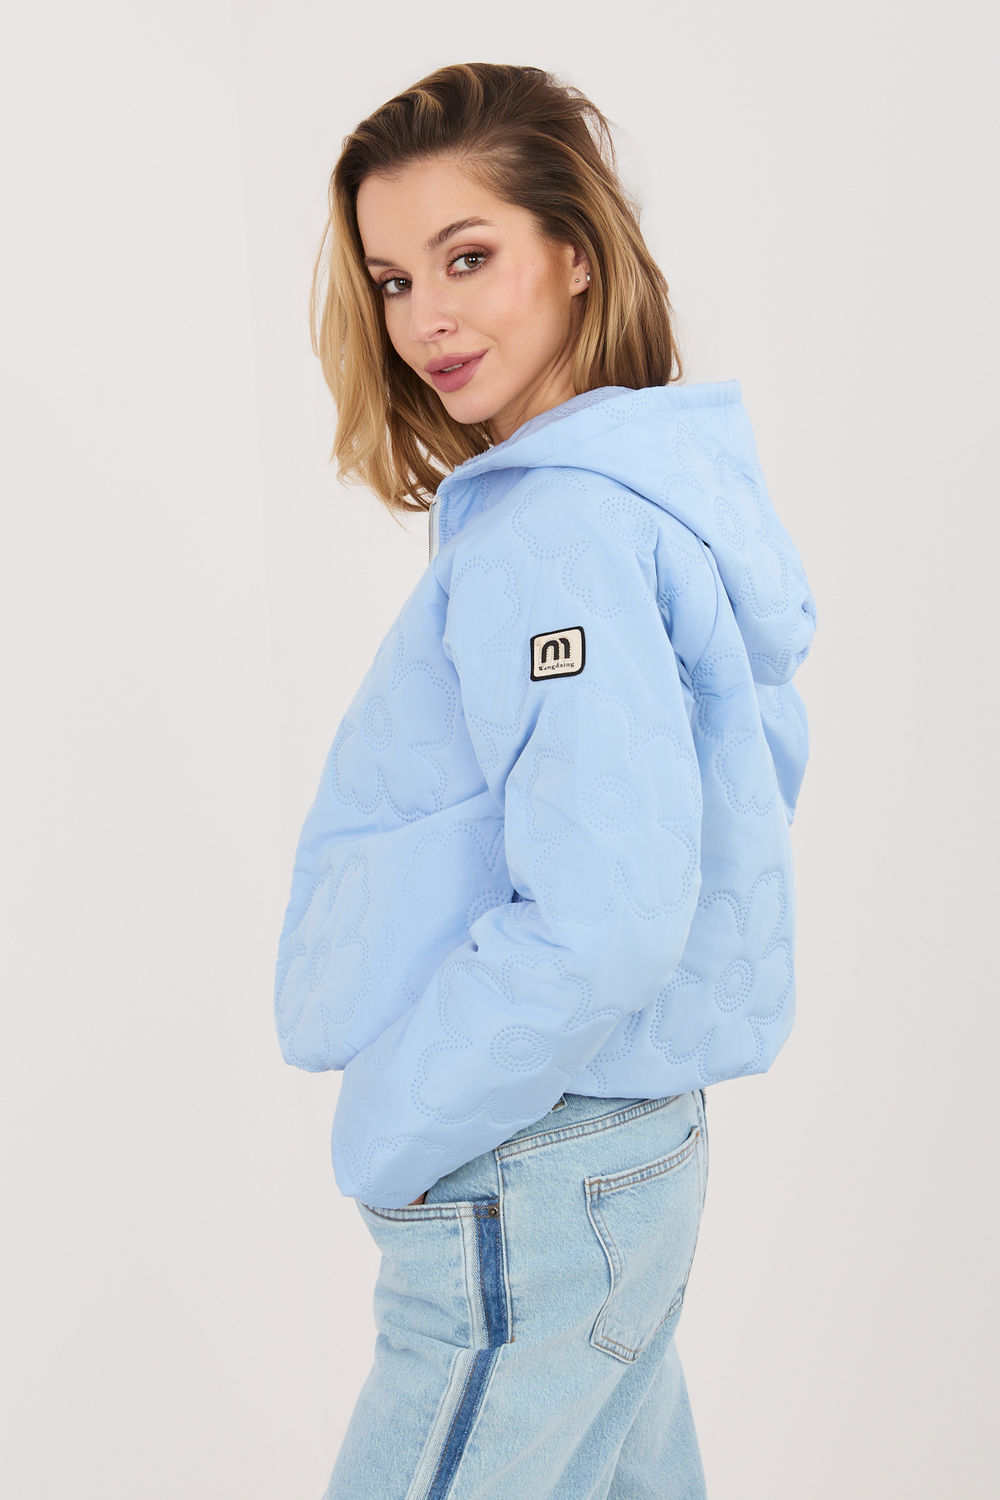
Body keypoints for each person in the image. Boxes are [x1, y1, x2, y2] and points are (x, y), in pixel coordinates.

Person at [273, 61, 817, 1500]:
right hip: (614, 1148)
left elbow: (612, 913)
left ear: (576, 252)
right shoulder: (645, 498)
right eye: (394, 281)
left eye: (469, 258)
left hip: (534, 1158)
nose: (425, 321)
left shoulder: (556, 534)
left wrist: (403, 1120)